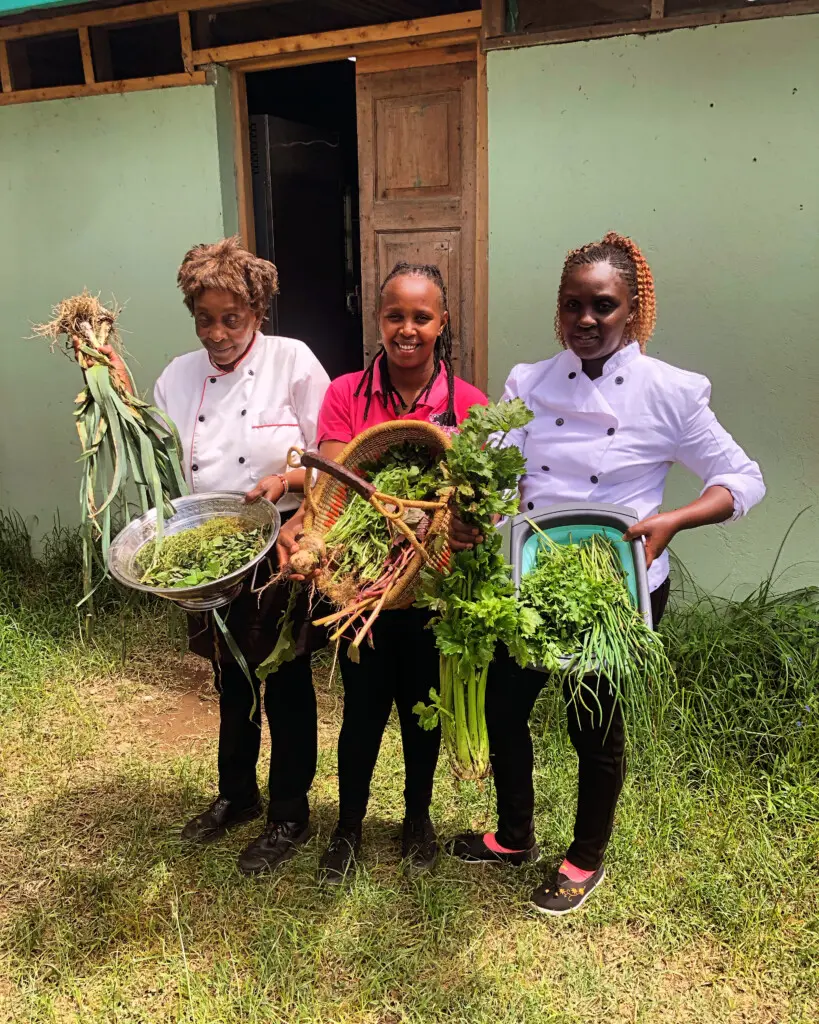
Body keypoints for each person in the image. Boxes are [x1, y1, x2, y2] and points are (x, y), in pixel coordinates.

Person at [448, 232, 765, 915]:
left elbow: (740, 479)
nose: (586, 321)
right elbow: (499, 475)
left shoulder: (670, 392)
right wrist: (475, 512)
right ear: (557, 310)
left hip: (615, 588)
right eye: (573, 306)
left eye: (603, 306)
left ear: (632, 312)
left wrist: (673, 521)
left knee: (593, 728)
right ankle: (513, 835)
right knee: (503, 710)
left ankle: (584, 857)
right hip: (531, 581)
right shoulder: (526, 383)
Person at [279, 262, 487, 883]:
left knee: (421, 708)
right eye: (395, 315)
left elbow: (480, 496)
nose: (408, 328)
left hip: (431, 587)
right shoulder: (347, 393)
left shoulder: (468, 403)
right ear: (378, 319)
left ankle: (417, 819)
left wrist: (464, 519)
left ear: (442, 323)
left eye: (422, 317)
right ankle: (347, 826)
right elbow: (335, 481)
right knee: (363, 711)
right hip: (363, 584)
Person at [149, 237, 330, 875]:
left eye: (234, 318)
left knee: (283, 683)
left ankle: (289, 812)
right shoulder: (176, 375)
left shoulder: (294, 363)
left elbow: (330, 460)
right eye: (206, 318)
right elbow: (159, 456)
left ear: (258, 312)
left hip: (279, 547)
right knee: (229, 681)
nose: (218, 333)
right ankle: (237, 795)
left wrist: (297, 504)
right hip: (209, 553)